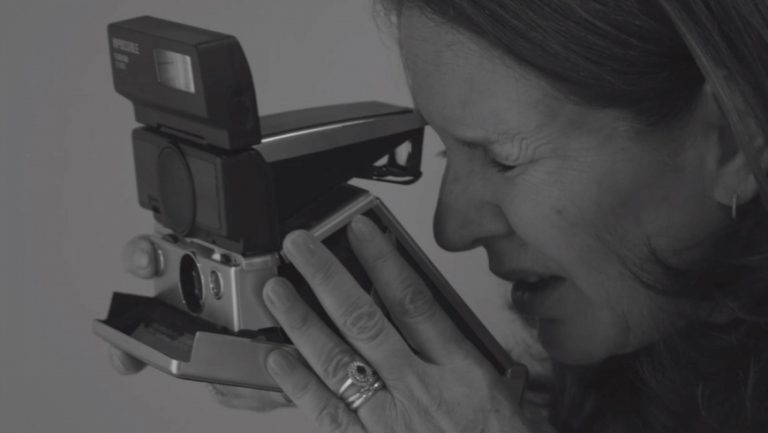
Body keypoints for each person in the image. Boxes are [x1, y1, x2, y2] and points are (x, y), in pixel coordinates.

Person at [112, 1, 768, 431]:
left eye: (503, 158)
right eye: (448, 149)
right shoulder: (646, 371)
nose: (450, 230)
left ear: (730, 144)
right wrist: (384, 378)